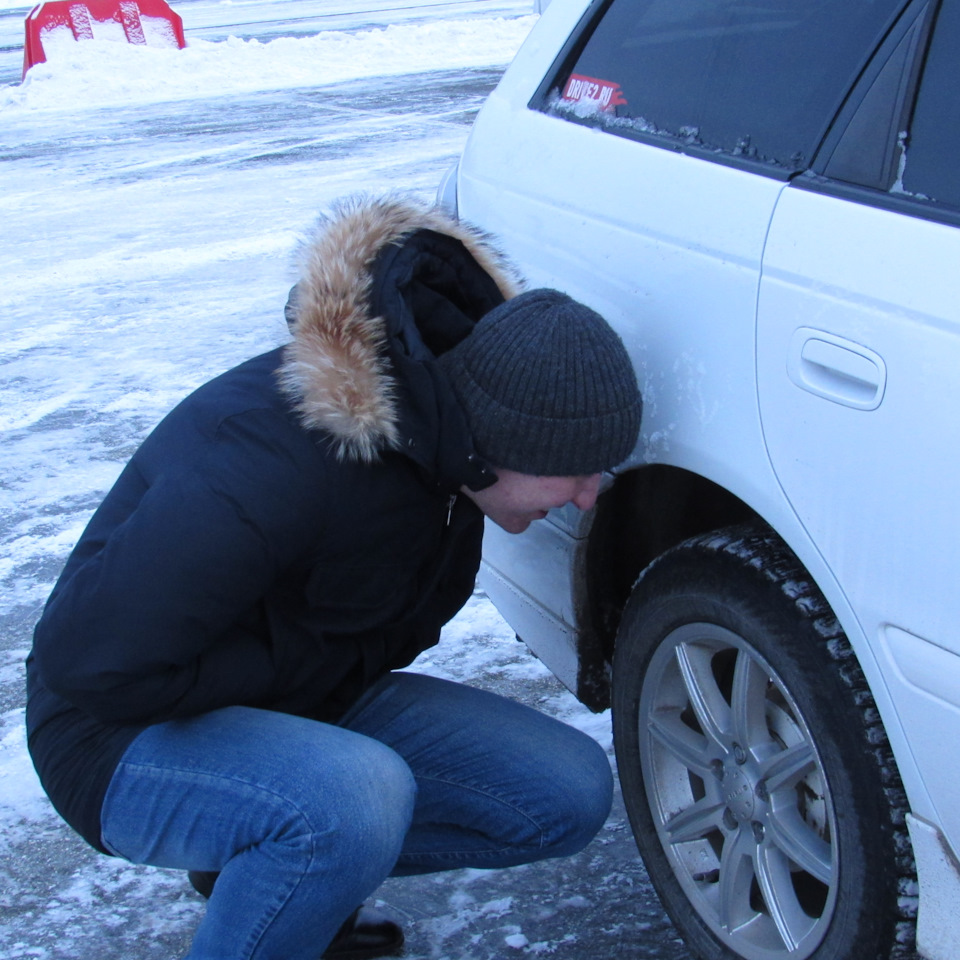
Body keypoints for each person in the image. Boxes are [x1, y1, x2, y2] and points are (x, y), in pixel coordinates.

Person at [25, 194, 642, 960]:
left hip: (288, 703)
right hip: (111, 733)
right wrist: (293, 719)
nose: (588, 499)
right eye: (574, 475)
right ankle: (290, 857)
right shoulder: (272, 468)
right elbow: (88, 661)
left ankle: (283, 883)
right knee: (348, 802)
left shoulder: (444, 459)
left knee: (562, 794)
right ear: (499, 445)